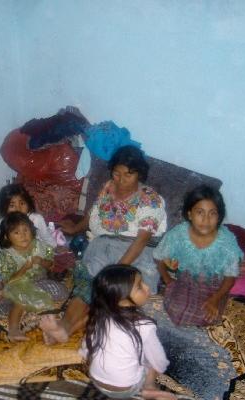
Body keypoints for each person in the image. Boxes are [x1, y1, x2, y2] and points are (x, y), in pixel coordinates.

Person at [41, 145, 167, 344]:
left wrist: (117, 271)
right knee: (88, 285)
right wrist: (76, 228)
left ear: (139, 174)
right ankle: (64, 325)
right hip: (104, 246)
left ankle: (68, 330)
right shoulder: (109, 186)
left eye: (128, 175)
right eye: (116, 174)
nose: (121, 180)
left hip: (137, 252)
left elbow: (141, 240)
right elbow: (93, 212)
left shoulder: (151, 199)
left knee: (113, 294)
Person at [80, 265, 174, 400]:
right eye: (139, 286)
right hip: (126, 389)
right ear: (122, 299)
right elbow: (158, 359)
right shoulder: (144, 325)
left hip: (97, 380)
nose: (147, 287)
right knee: (153, 361)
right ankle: (149, 386)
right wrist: (161, 367)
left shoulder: (100, 315)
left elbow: (86, 347)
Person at [154, 185, 242, 326]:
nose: (206, 220)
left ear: (219, 216)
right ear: (189, 214)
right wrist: (167, 280)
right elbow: (158, 256)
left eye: (212, 213)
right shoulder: (178, 234)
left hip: (216, 286)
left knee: (213, 317)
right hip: (187, 280)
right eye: (200, 212)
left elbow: (230, 277)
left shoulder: (227, 242)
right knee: (176, 310)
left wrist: (215, 299)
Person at [0, 212, 65, 342]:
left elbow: (50, 265)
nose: (23, 235)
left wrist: (41, 262)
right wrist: (24, 268)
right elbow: (8, 280)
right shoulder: (7, 255)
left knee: (62, 291)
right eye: (16, 233)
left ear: (31, 230)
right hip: (17, 285)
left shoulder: (39, 246)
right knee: (21, 299)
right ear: (6, 237)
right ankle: (13, 330)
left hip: (39, 282)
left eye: (25, 230)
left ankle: (32, 307)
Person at [0, 183, 56, 302]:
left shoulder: (36, 219)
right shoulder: (1, 224)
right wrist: (11, 257)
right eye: (12, 205)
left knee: (40, 273)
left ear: (28, 204)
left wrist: (53, 248)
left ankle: (27, 288)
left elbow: (46, 238)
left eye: (22, 203)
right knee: (1, 267)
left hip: (35, 253)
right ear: (4, 209)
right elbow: (2, 248)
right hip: (14, 255)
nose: (18, 209)